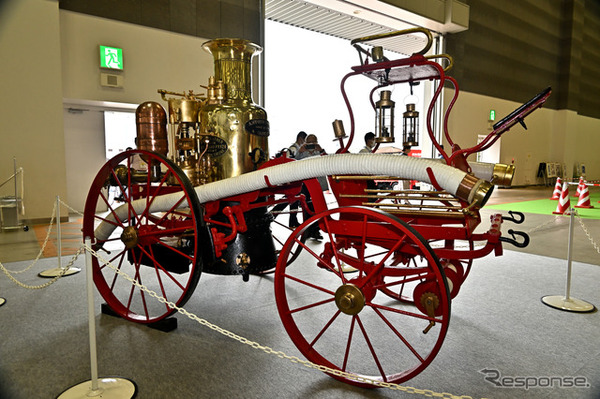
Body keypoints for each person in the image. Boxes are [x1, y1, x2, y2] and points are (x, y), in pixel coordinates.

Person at [296, 134, 328, 240]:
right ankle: (307, 230)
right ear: (305, 142)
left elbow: (328, 160)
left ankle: (316, 230)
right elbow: (294, 162)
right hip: (305, 183)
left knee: (317, 206)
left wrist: (321, 149)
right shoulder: (301, 152)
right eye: (308, 143)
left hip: (317, 183)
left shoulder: (319, 151)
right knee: (306, 207)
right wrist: (300, 151)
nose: (311, 145)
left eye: (313, 143)